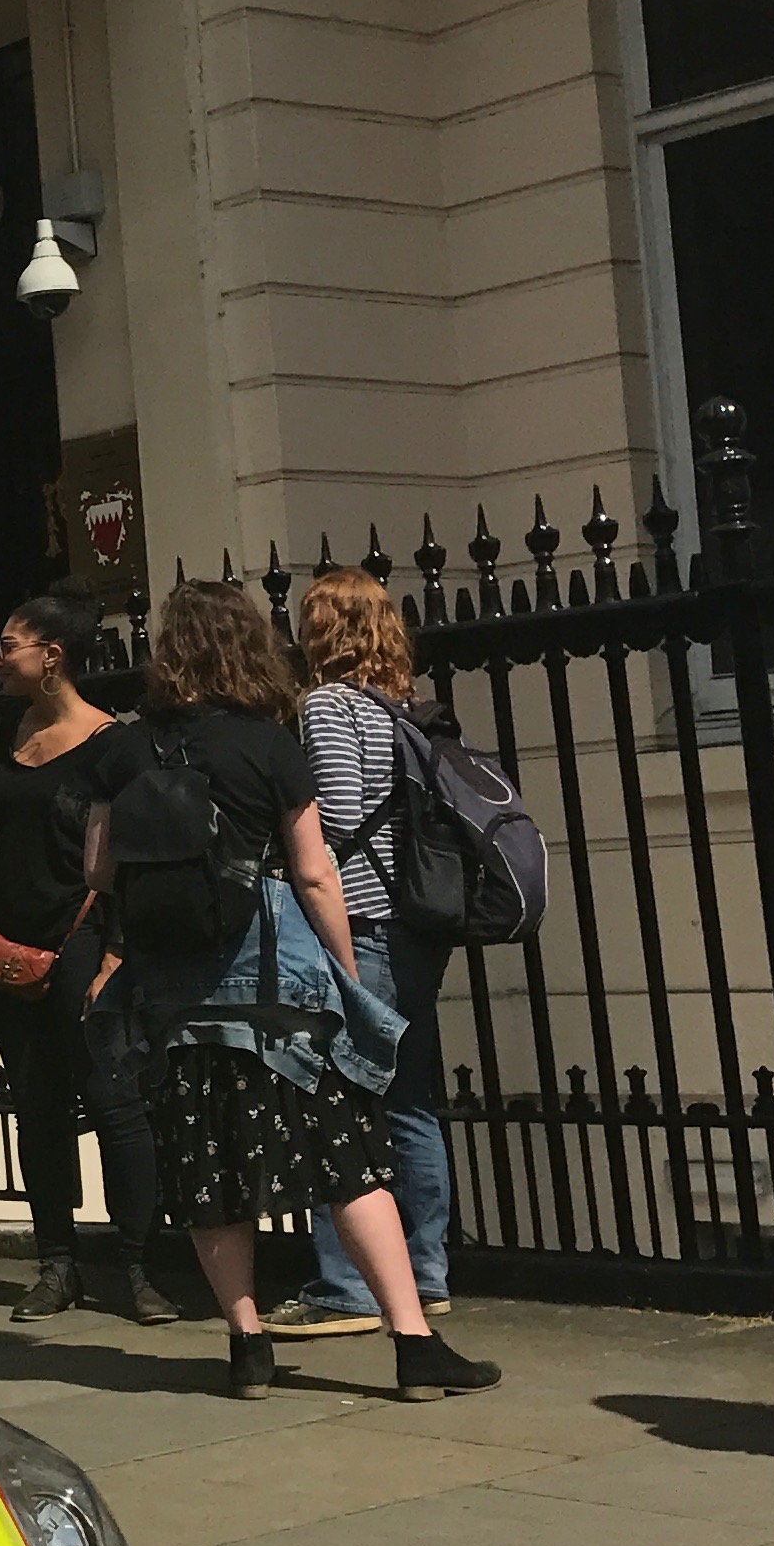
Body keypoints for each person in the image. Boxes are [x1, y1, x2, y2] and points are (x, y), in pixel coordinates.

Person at [105, 580, 497, 1404]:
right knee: (348, 1155)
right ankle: (413, 1340)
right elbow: (316, 872)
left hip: (176, 994)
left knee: (210, 1168)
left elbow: (98, 870)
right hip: (273, 987)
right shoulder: (269, 743)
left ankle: (247, 1345)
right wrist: (348, 974)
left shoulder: (127, 749)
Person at [0, 593, 172, 1324]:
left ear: (53, 658)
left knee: (114, 1101)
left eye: (9, 643)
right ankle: (56, 1263)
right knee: (35, 1107)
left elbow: (138, 858)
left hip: (85, 943)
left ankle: (138, 1267)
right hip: (11, 947)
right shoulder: (2, 729)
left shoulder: (116, 745)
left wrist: (115, 952)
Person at [268, 569, 460, 1340]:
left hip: (365, 923)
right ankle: (427, 1273)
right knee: (410, 1099)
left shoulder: (330, 707)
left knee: (338, 1104)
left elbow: (340, 820)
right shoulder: (407, 711)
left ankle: (345, 1285)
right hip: (418, 926)